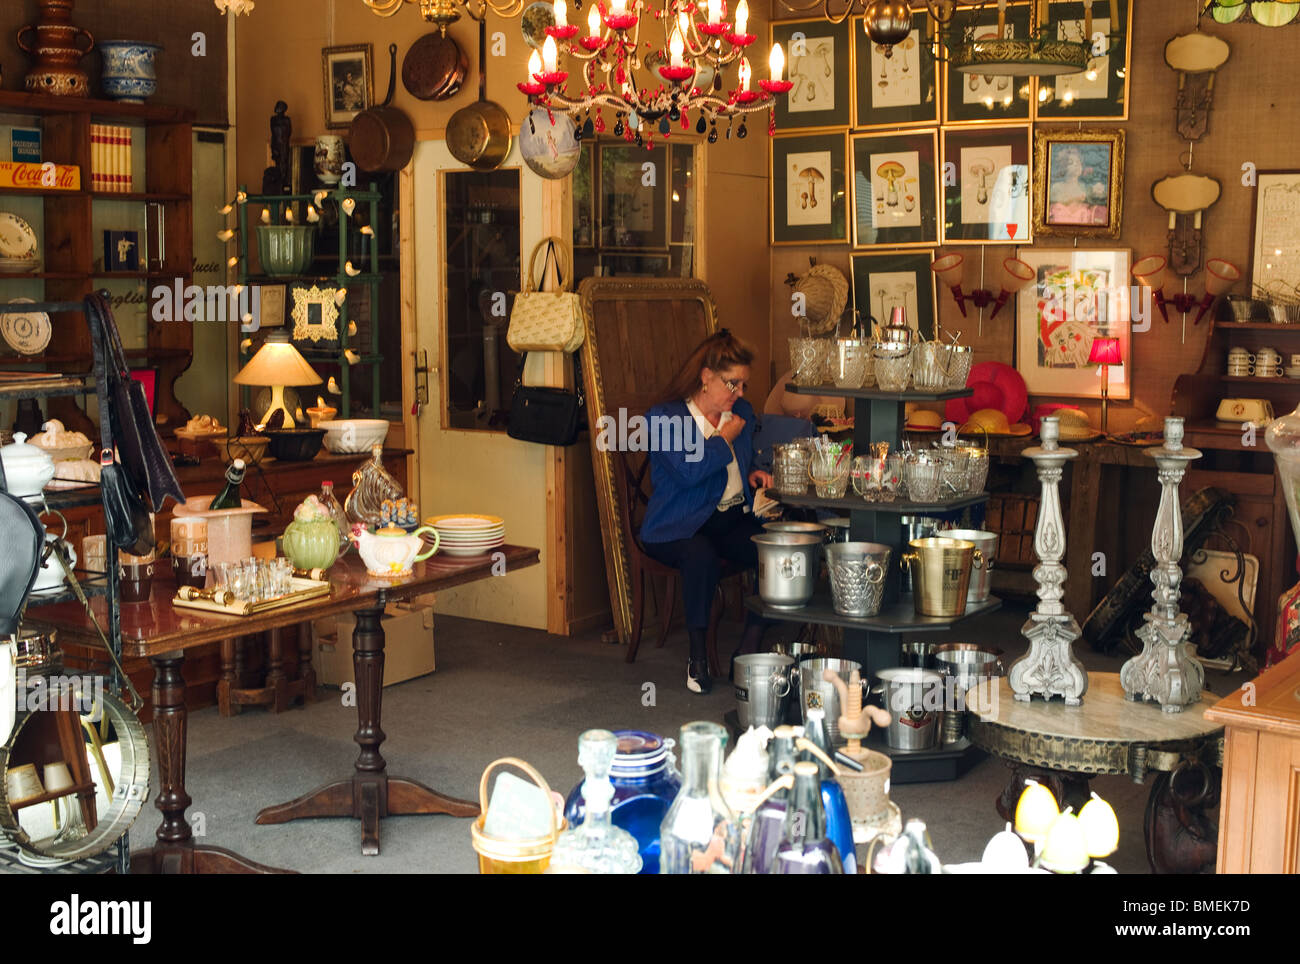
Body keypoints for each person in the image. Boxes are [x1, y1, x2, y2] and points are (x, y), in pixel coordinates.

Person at [640, 329, 775, 694]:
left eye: (744, 385)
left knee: (775, 552)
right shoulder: (665, 418)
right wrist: (723, 439)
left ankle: (748, 647)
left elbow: (735, 463)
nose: (740, 393)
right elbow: (689, 473)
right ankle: (697, 657)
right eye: (733, 384)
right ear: (706, 377)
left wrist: (750, 472)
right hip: (677, 525)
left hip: (727, 519)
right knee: (700, 556)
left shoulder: (740, 412)